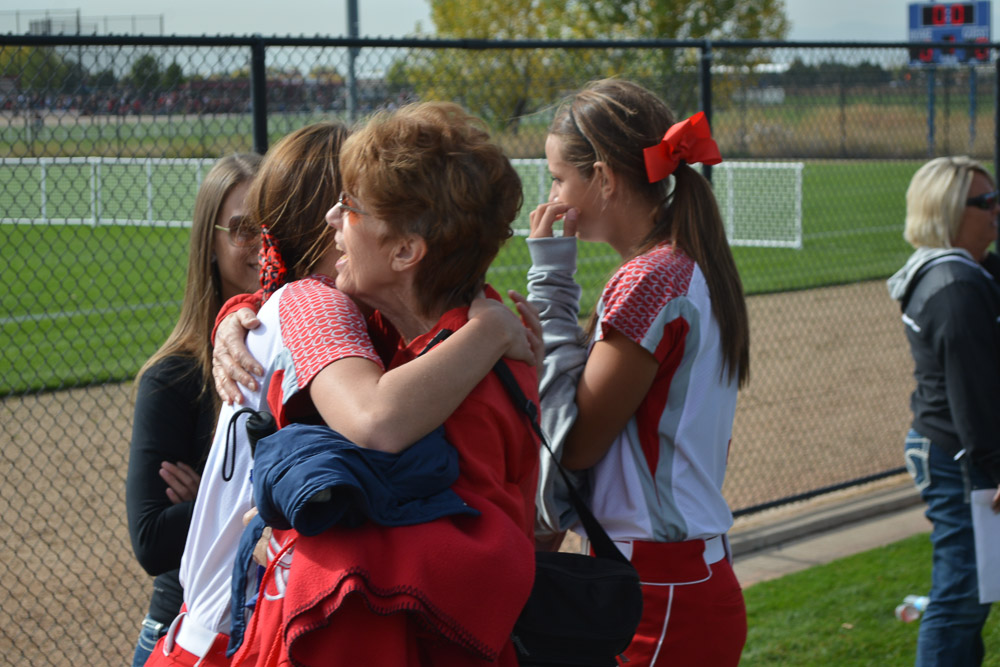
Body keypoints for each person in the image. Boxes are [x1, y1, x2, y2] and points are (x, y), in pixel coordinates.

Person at [147, 119, 537, 667]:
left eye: (350, 204)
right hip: (237, 628)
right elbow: (374, 414)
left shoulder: (439, 349)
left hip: (288, 629)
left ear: (405, 249)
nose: (336, 217)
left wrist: (296, 540)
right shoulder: (343, 312)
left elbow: (481, 534)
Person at [525, 78, 750, 666]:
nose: (551, 195)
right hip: (674, 574)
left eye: (557, 178)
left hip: (658, 587)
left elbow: (574, 444)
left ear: (602, 177)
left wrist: (550, 281)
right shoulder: (683, 263)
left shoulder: (650, 278)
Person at [126, 152, 262, 667]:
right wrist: (250, 501)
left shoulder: (298, 346)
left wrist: (210, 494)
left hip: (264, 627)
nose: (261, 243)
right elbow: (151, 539)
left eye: (271, 224)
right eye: (243, 229)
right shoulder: (173, 377)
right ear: (210, 241)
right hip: (182, 632)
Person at [886, 155, 1000, 666]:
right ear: (949, 211)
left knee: (970, 597)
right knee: (961, 599)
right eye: (986, 201)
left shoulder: (965, 269)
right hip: (962, 456)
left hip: (953, 448)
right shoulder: (955, 286)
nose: (997, 209)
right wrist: (996, 468)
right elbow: (973, 393)